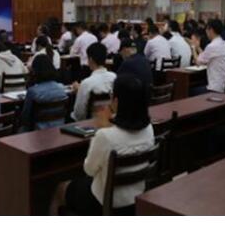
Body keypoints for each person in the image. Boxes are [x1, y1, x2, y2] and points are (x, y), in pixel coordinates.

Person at [52, 74, 154, 215]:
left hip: (104, 202)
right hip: (136, 198)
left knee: (60, 189)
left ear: (116, 101)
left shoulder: (106, 135)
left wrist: (102, 129)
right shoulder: (149, 129)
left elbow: (89, 170)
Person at [20, 55, 67, 132]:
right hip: (59, 129)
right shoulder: (61, 88)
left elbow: (25, 117)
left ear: (35, 71)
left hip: (37, 131)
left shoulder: (33, 91)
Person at [71, 43, 116, 121]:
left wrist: (79, 91)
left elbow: (79, 115)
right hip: (111, 120)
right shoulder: (115, 77)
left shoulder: (86, 83)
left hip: (91, 123)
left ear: (90, 59)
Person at [192, 19, 225, 94]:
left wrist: (193, 47)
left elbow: (197, 62)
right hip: (223, 85)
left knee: (189, 91)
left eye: (207, 29)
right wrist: (198, 47)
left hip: (214, 89)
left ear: (211, 30)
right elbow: (205, 56)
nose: (206, 32)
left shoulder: (212, 46)